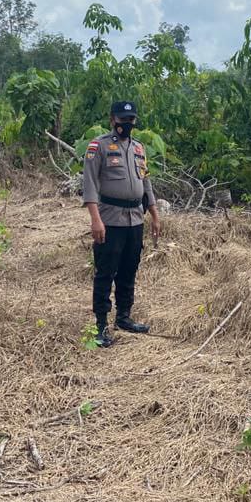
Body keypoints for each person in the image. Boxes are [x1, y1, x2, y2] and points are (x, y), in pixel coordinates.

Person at [82, 101, 163, 347]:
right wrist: (95, 219)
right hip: (109, 219)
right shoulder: (99, 146)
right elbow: (90, 184)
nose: (126, 124)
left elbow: (145, 183)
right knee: (106, 271)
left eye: (130, 120)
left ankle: (124, 317)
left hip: (135, 219)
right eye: (121, 119)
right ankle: (100, 325)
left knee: (129, 269)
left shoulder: (139, 148)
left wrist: (154, 214)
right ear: (112, 120)